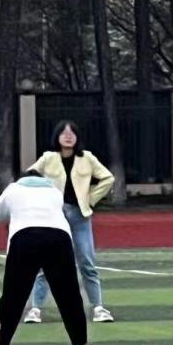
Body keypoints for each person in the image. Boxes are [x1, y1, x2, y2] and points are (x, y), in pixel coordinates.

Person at [0, 171, 93, 345]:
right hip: (59, 239)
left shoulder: (12, 189)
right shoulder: (54, 191)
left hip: (24, 237)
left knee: (13, 296)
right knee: (69, 296)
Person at [25, 120, 116, 325]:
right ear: (57, 137)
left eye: (72, 132)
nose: (68, 136)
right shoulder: (48, 158)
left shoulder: (87, 158)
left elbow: (108, 178)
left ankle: (98, 308)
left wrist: (91, 199)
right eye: (64, 133)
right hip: (54, 216)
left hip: (80, 216)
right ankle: (35, 309)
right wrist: (40, 200)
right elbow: (28, 177)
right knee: (45, 263)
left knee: (87, 262)